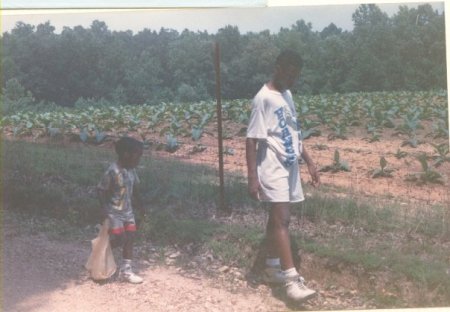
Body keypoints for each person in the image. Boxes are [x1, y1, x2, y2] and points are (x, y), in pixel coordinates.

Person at [246, 50, 320, 302]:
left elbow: (294, 132)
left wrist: (309, 162)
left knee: (276, 218)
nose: (291, 80)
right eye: (288, 74)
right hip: (271, 165)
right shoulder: (263, 98)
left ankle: (271, 266)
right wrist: (252, 177)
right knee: (283, 220)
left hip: (290, 165)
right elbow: (251, 139)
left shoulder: (287, 95)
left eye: (295, 77)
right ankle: (291, 281)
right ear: (277, 67)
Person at [97, 136, 145, 284]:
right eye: (137, 155)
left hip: (128, 212)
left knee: (130, 238)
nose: (139, 159)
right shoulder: (112, 171)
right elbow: (101, 190)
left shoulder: (132, 171)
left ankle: (126, 270)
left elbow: (135, 189)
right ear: (126, 154)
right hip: (114, 213)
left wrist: (141, 206)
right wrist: (104, 209)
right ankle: (100, 257)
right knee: (120, 238)